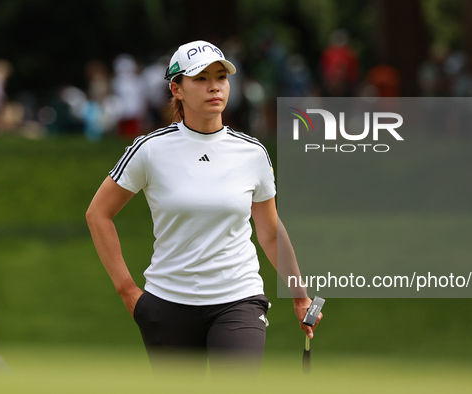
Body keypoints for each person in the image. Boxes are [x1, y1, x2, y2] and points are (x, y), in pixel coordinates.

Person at [86, 40, 321, 373]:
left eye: (221, 77)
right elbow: (98, 214)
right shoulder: (150, 149)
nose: (214, 86)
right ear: (176, 88)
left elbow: (269, 230)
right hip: (167, 302)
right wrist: (127, 290)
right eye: (200, 78)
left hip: (239, 298)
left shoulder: (252, 153)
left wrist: (300, 294)